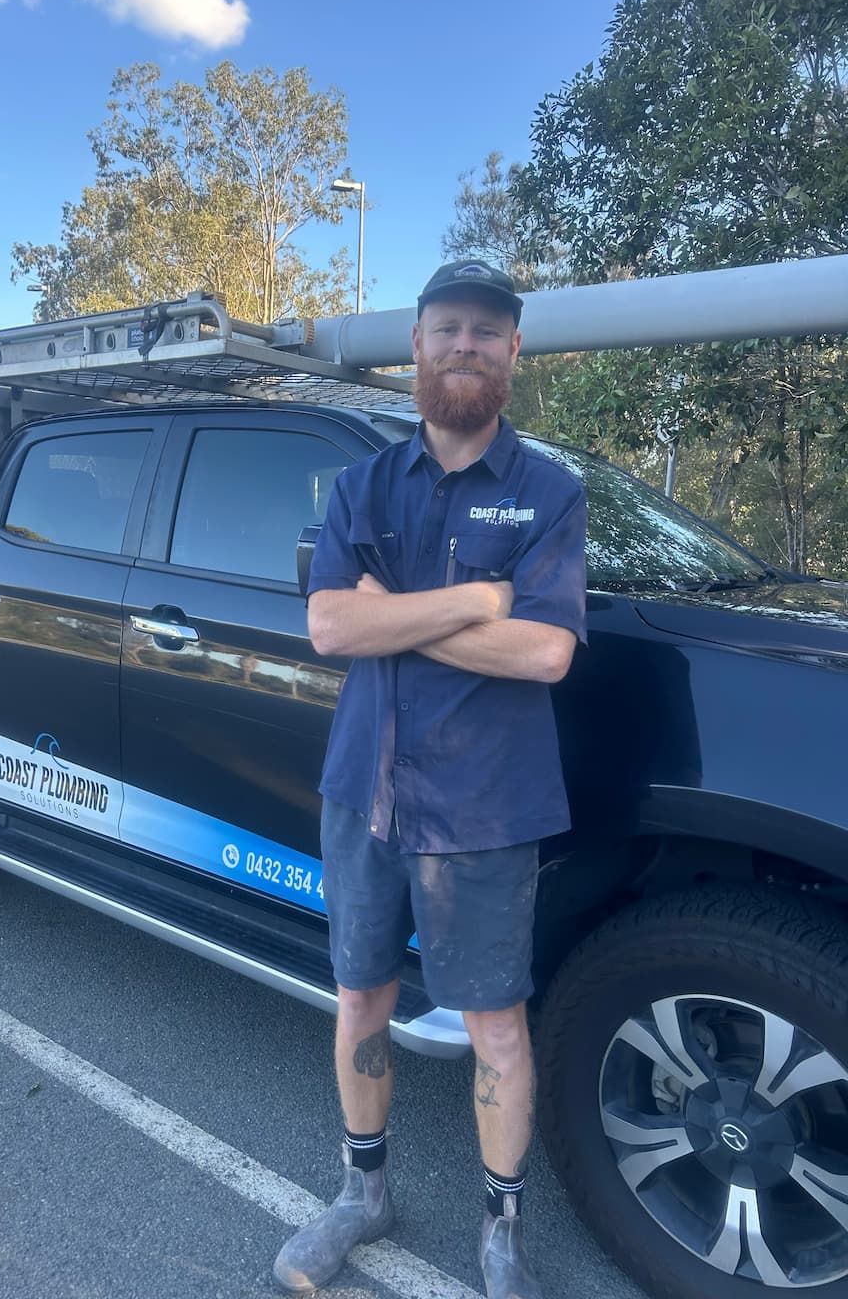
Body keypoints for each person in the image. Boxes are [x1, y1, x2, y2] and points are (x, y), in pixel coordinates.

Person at [273, 259, 588, 1299]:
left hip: (491, 806)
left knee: (497, 1024)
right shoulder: (362, 485)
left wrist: (396, 615)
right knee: (359, 998)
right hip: (366, 789)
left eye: (487, 332)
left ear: (512, 354)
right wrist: (478, 604)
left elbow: (547, 656)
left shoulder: (551, 492)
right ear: (416, 344)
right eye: (447, 327)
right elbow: (328, 626)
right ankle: (364, 1196)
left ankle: (503, 1231)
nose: (466, 345)